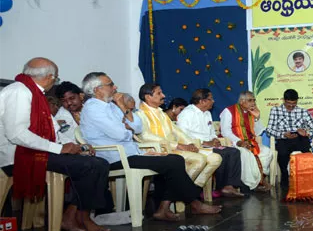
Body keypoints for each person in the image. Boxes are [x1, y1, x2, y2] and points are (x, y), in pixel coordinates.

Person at [80, 72, 221, 221]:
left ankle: (167, 207)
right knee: (173, 161)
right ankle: (192, 203)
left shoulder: (112, 106)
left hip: (132, 152)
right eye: (110, 84)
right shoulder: (93, 108)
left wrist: (123, 108)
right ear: (97, 89)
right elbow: (120, 134)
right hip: (115, 157)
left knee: (174, 160)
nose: (115, 87)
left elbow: (138, 127)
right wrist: (127, 129)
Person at [0, 58, 111, 231]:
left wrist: (75, 147)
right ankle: (82, 217)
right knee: (88, 166)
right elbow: (17, 135)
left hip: (35, 150)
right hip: (17, 154)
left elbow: (53, 133)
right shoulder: (19, 92)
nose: (55, 82)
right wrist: (59, 149)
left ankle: (72, 215)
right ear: (50, 77)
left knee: (99, 163)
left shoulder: (35, 94)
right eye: (56, 78)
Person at [136, 83, 222, 195]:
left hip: (175, 147)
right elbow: (146, 136)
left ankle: (190, 191)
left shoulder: (161, 113)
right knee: (199, 159)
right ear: (148, 97)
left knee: (216, 158)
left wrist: (190, 143)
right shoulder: (140, 114)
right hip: (157, 150)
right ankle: (180, 195)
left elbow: (177, 131)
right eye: (159, 93)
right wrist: (178, 145)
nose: (163, 95)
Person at [176, 88, 245, 196]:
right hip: (196, 147)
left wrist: (214, 139)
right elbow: (183, 136)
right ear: (202, 101)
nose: (213, 101)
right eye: (210, 99)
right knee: (223, 153)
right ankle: (221, 187)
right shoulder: (187, 114)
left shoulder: (207, 113)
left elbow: (211, 131)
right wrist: (205, 143)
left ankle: (229, 186)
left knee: (234, 152)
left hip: (209, 146)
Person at [266, 89, 313, 187]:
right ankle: (284, 175)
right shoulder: (275, 110)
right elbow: (269, 130)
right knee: (282, 153)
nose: (291, 106)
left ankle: (307, 176)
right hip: (283, 138)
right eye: (289, 104)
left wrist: (307, 132)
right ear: (284, 100)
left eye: (294, 104)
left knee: (307, 152)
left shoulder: (303, 112)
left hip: (299, 137)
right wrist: (283, 134)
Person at [220, 91, 273, 191]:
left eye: (254, 100)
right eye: (250, 100)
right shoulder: (228, 111)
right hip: (233, 143)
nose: (253, 103)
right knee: (245, 154)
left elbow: (256, 133)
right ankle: (250, 184)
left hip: (250, 142)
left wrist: (257, 118)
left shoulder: (251, 112)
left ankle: (260, 180)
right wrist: (239, 142)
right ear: (241, 101)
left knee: (267, 152)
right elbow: (225, 131)